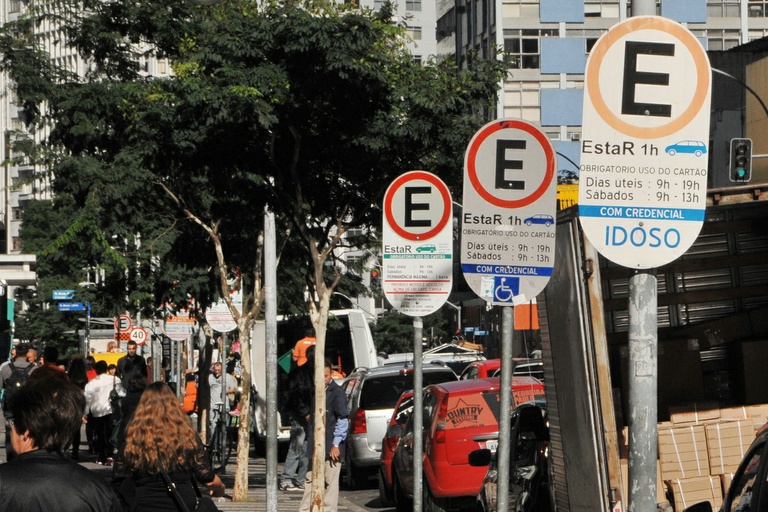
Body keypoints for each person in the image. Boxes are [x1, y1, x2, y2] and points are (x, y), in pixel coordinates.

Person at [0, 377, 122, 511]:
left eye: (13, 423)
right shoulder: (98, 490)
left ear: (26, 432)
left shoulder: (3, 482)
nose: (11, 429)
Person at [114, 382, 225, 511]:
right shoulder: (187, 436)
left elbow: (118, 477)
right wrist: (220, 488)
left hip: (143, 505)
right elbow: (207, 478)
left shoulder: (133, 439)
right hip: (181, 505)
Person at [299, 359, 349, 512]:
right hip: (315, 447)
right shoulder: (316, 391)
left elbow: (342, 419)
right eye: (320, 376)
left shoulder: (337, 393)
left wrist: (335, 445)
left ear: (331, 374)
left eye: (326, 376)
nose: (323, 379)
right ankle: (305, 510)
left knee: (330, 483)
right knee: (310, 479)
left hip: (331, 447)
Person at [279, 345, 314, 492]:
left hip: (308, 414)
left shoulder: (312, 373)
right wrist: (305, 412)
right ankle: (287, 478)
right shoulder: (300, 373)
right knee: (297, 446)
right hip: (300, 414)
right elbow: (295, 395)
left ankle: (302, 479)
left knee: (306, 447)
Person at [1, 342, 37, 461]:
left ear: (16, 353)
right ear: (27, 354)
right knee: (28, 432)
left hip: (10, 408)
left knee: (10, 433)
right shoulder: (34, 370)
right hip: (28, 408)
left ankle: (11, 459)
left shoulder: (6, 369)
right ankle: (25, 458)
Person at [85, 360, 124, 465]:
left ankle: (101, 456)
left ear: (96, 370)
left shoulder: (91, 383)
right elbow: (122, 393)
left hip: (97, 412)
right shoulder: (115, 380)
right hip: (111, 410)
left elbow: (87, 399)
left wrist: (85, 414)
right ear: (106, 369)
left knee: (99, 434)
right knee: (110, 433)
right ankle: (110, 455)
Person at [67, 356, 89, 460]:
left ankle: (65, 449)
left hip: (69, 403)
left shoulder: (69, 378)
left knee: (69, 429)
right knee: (77, 430)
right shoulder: (84, 379)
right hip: (79, 404)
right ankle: (75, 452)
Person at [208, 361, 237, 435]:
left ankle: (223, 440)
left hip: (224, 405)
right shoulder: (210, 377)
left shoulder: (228, 377)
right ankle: (214, 441)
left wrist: (226, 392)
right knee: (213, 424)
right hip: (213, 406)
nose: (217, 372)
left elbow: (234, 389)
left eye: (219, 370)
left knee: (224, 425)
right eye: (215, 370)